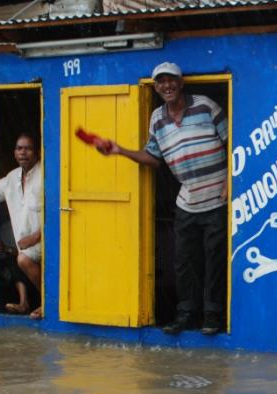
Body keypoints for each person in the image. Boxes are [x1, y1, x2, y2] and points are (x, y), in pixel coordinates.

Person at [97, 61, 229, 336]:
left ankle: (213, 316)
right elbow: (153, 157)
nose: (166, 86)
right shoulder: (157, 118)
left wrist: (230, 180)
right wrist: (119, 150)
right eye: (161, 82)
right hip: (187, 201)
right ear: (156, 88)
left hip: (217, 197)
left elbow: (233, 141)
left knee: (215, 259)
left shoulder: (205, 106)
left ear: (181, 83)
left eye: (171, 80)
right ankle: (186, 315)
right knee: (183, 261)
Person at [0, 133, 43, 319]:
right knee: (17, 257)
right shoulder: (12, 177)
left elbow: (56, 211)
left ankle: (48, 302)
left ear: (37, 152)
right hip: (25, 245)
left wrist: (36, 236)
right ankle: (27, 303)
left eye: (28, 148)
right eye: (19, 148)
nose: (23, 152)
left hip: (44, 239)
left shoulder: (45, 174)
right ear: (14, 153)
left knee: (23, 259)